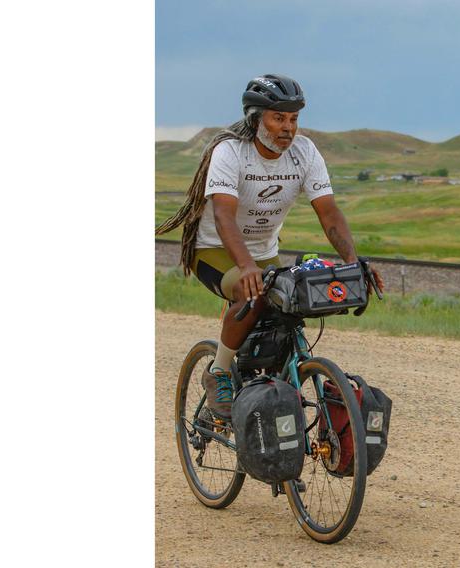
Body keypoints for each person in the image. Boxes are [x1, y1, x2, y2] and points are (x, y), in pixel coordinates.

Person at [156, 74, 385, 420]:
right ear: (255, 118)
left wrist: (353, 262)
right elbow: (223, 216)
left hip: (264, 249)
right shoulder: (230, 151)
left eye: (293, 119)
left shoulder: (305, 153)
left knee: (289, 305)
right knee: (253, 295)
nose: (287, 128)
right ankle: (218, 371)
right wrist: (247, 267)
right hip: (215, 247)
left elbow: (329, 213)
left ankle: (263, 391)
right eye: (278, 117)